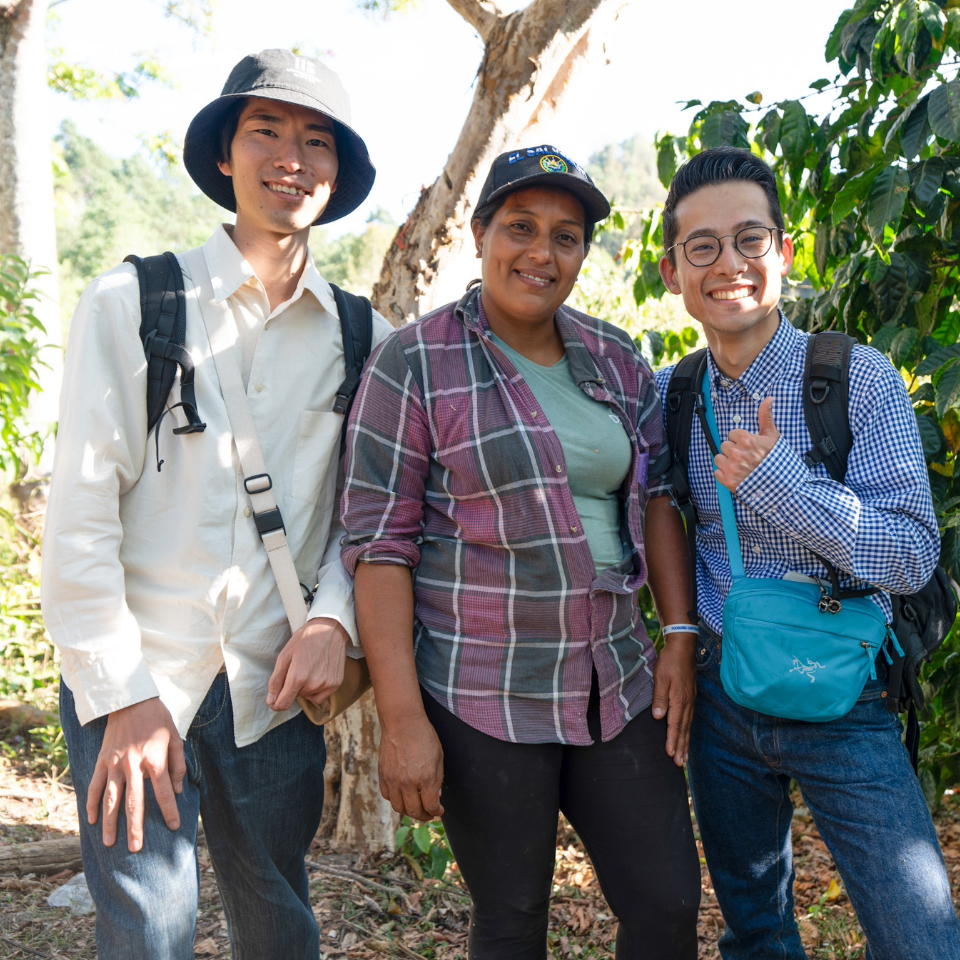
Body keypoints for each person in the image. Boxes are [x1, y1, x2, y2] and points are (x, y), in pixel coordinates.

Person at [41, 49, 393, 960]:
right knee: (148, 931)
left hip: (274, 688)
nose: (291, 156)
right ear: (225, 157)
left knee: (278, 919)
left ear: (339, 173)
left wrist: (334, 622)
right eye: (265, 130)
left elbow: (372, 516)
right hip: (139, 675)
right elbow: (80, 511)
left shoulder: (366, 339)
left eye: (317, 140)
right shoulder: (133, 303)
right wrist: (121, 696)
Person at [340, 145, 702, 959]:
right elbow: (379, 545)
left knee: (667, 904)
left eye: (566, 236)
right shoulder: (415, 363)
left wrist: (677, 631)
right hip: (482, 688)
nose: (541, 253)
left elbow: (656, 500)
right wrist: (402, 721)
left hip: (616, 677)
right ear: (478, 235)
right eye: (521, 227)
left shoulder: (613, 360)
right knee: (510, 920)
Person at [654, 145, 960, 959]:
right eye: (703, 246)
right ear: (672, 271)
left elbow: (909, 555)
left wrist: (780, 482)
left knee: (920, 936)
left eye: (751, 239)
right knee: (756, 932)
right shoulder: (673, 395)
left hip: (845, 689)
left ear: (784, 253)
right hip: (723, 694)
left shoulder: (856, 379)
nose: (730, 265)